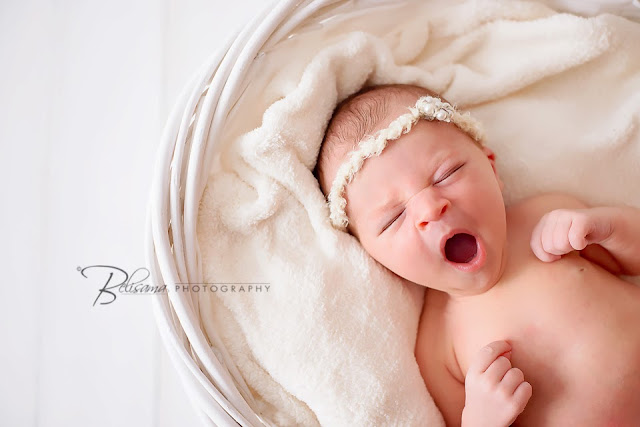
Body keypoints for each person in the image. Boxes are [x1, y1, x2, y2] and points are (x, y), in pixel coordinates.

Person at [314, 83, 640, 426]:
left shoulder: (546, 218)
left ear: (492, 169)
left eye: (446, 174)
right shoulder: (438, 346)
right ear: (378, 261)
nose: (430, 208)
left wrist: (605, 227)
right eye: (394, 218)